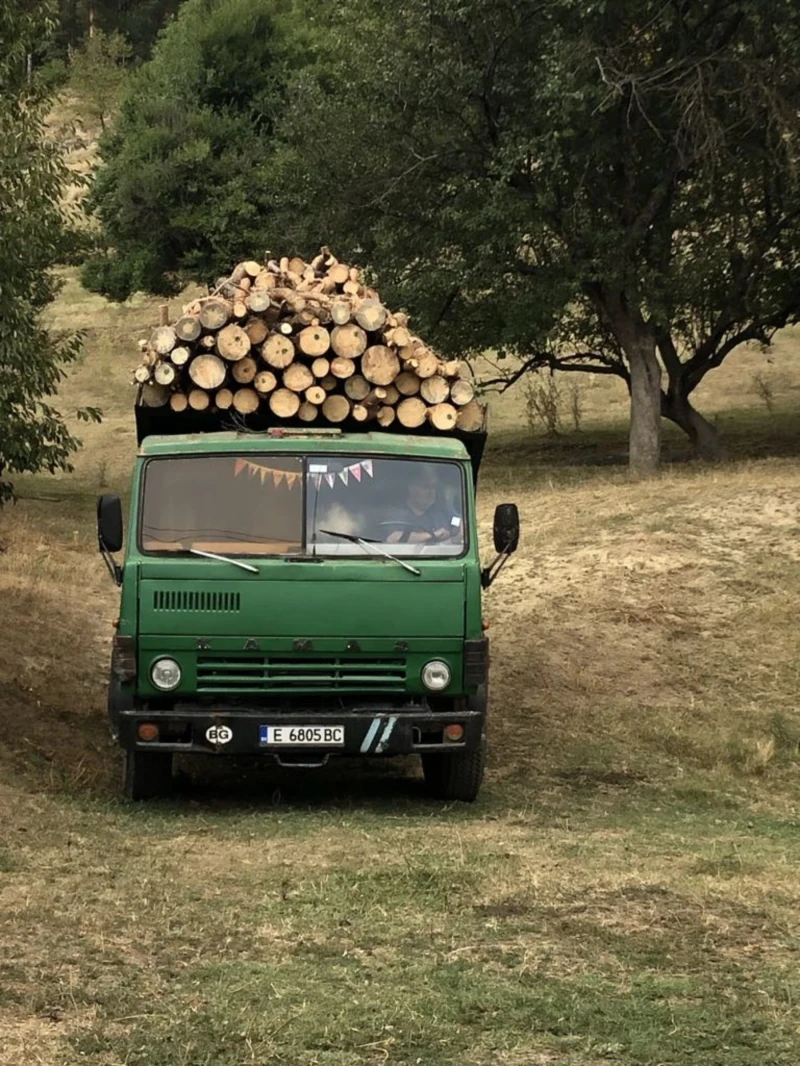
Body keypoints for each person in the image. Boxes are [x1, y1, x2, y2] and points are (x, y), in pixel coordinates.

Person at [382, 465, 461, 544]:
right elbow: (393, 538)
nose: (431, 492)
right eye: (426, 487)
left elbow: (456, 519)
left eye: (433, 487)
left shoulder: (442, 510)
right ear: (411, 488)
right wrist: (432, 536)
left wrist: (454, 529)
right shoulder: (397, 513)